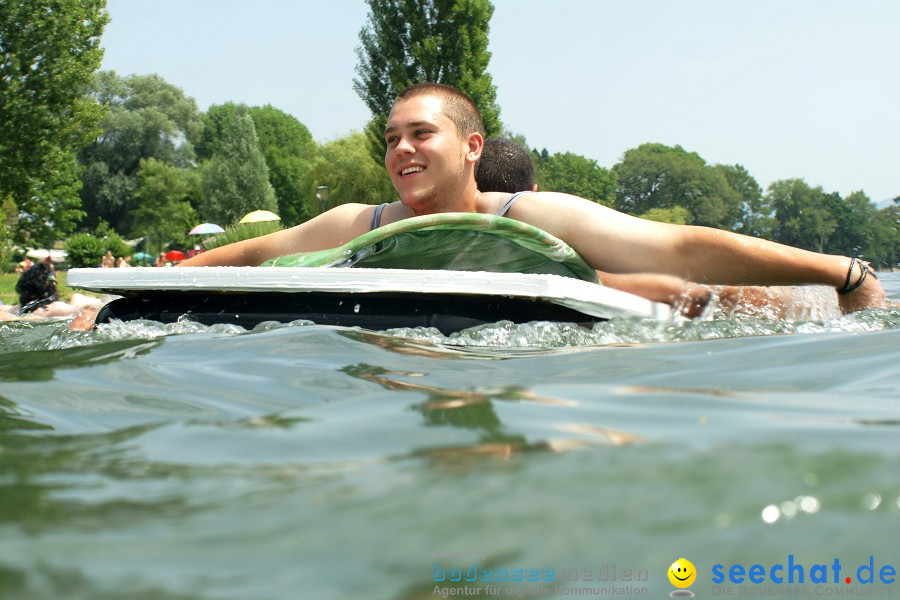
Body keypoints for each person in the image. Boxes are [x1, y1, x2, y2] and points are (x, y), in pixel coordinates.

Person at [180, 83, 887, 314]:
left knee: (670, 288)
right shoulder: (354, 222)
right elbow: (252, 252)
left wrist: (842, 273)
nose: (400, 150)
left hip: (530, 363)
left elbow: (682, 246)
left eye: (420, 134)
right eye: (391, 138)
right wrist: (113, 298)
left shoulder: (533, 214)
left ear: (472, 148)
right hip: (398, 368)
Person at [475, 137, 805, 317]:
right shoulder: (549, 221)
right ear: (535, 193)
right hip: (585, 294)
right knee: (693, 293)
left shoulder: (448, 234)